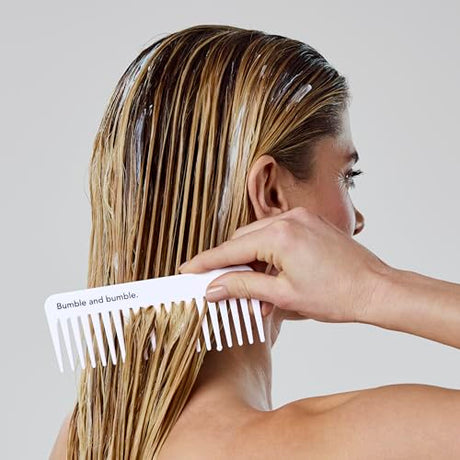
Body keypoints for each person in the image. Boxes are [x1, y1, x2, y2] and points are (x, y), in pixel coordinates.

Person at [50, 24, 460, 459]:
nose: (357, 221)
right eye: (347, 177)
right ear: (271, 193)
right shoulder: (365, 437)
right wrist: (375, 287)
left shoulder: (84, 437)